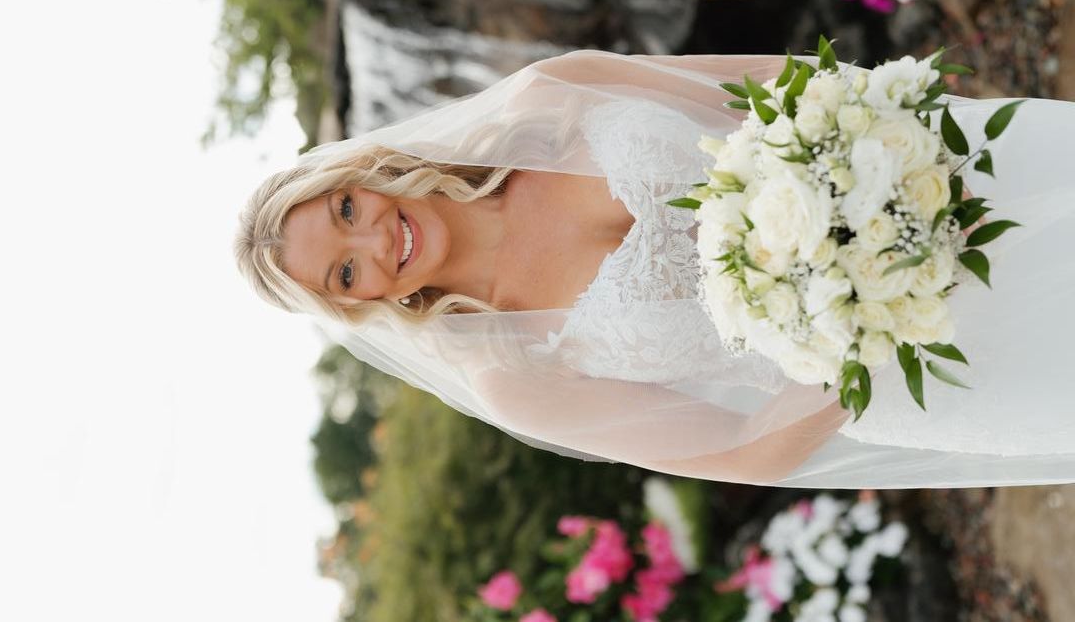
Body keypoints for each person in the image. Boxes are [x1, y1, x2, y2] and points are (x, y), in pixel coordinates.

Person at [235, 49, 1075, 488]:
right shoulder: (516, 374)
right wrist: (861, 328)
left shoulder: (544, 96)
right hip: (915, 353)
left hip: (923, 173)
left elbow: (761, 83)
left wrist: (869, 138)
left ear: (361, 175)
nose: (376, 241)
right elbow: (739, 451)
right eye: (346, 274)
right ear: (364, 305)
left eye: (346, 211)